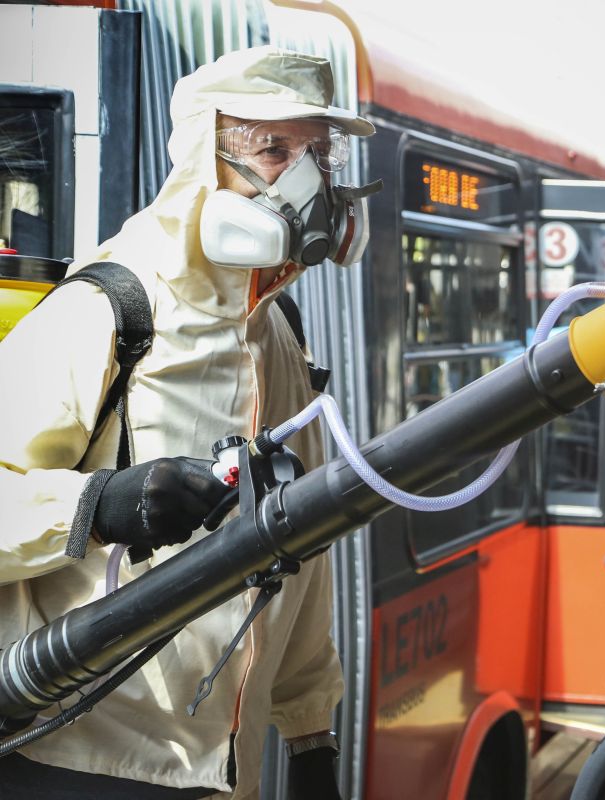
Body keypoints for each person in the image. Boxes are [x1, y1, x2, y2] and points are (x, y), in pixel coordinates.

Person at [0, 47, 375, 799]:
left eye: (318, 153)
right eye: (274, 150)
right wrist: (97, 507)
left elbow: (299, 556)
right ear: (205, 157)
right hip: (81, 761)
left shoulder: (275, 331)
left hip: (224, 777)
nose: (306, 182)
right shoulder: (108, 307)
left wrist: (309, 741)